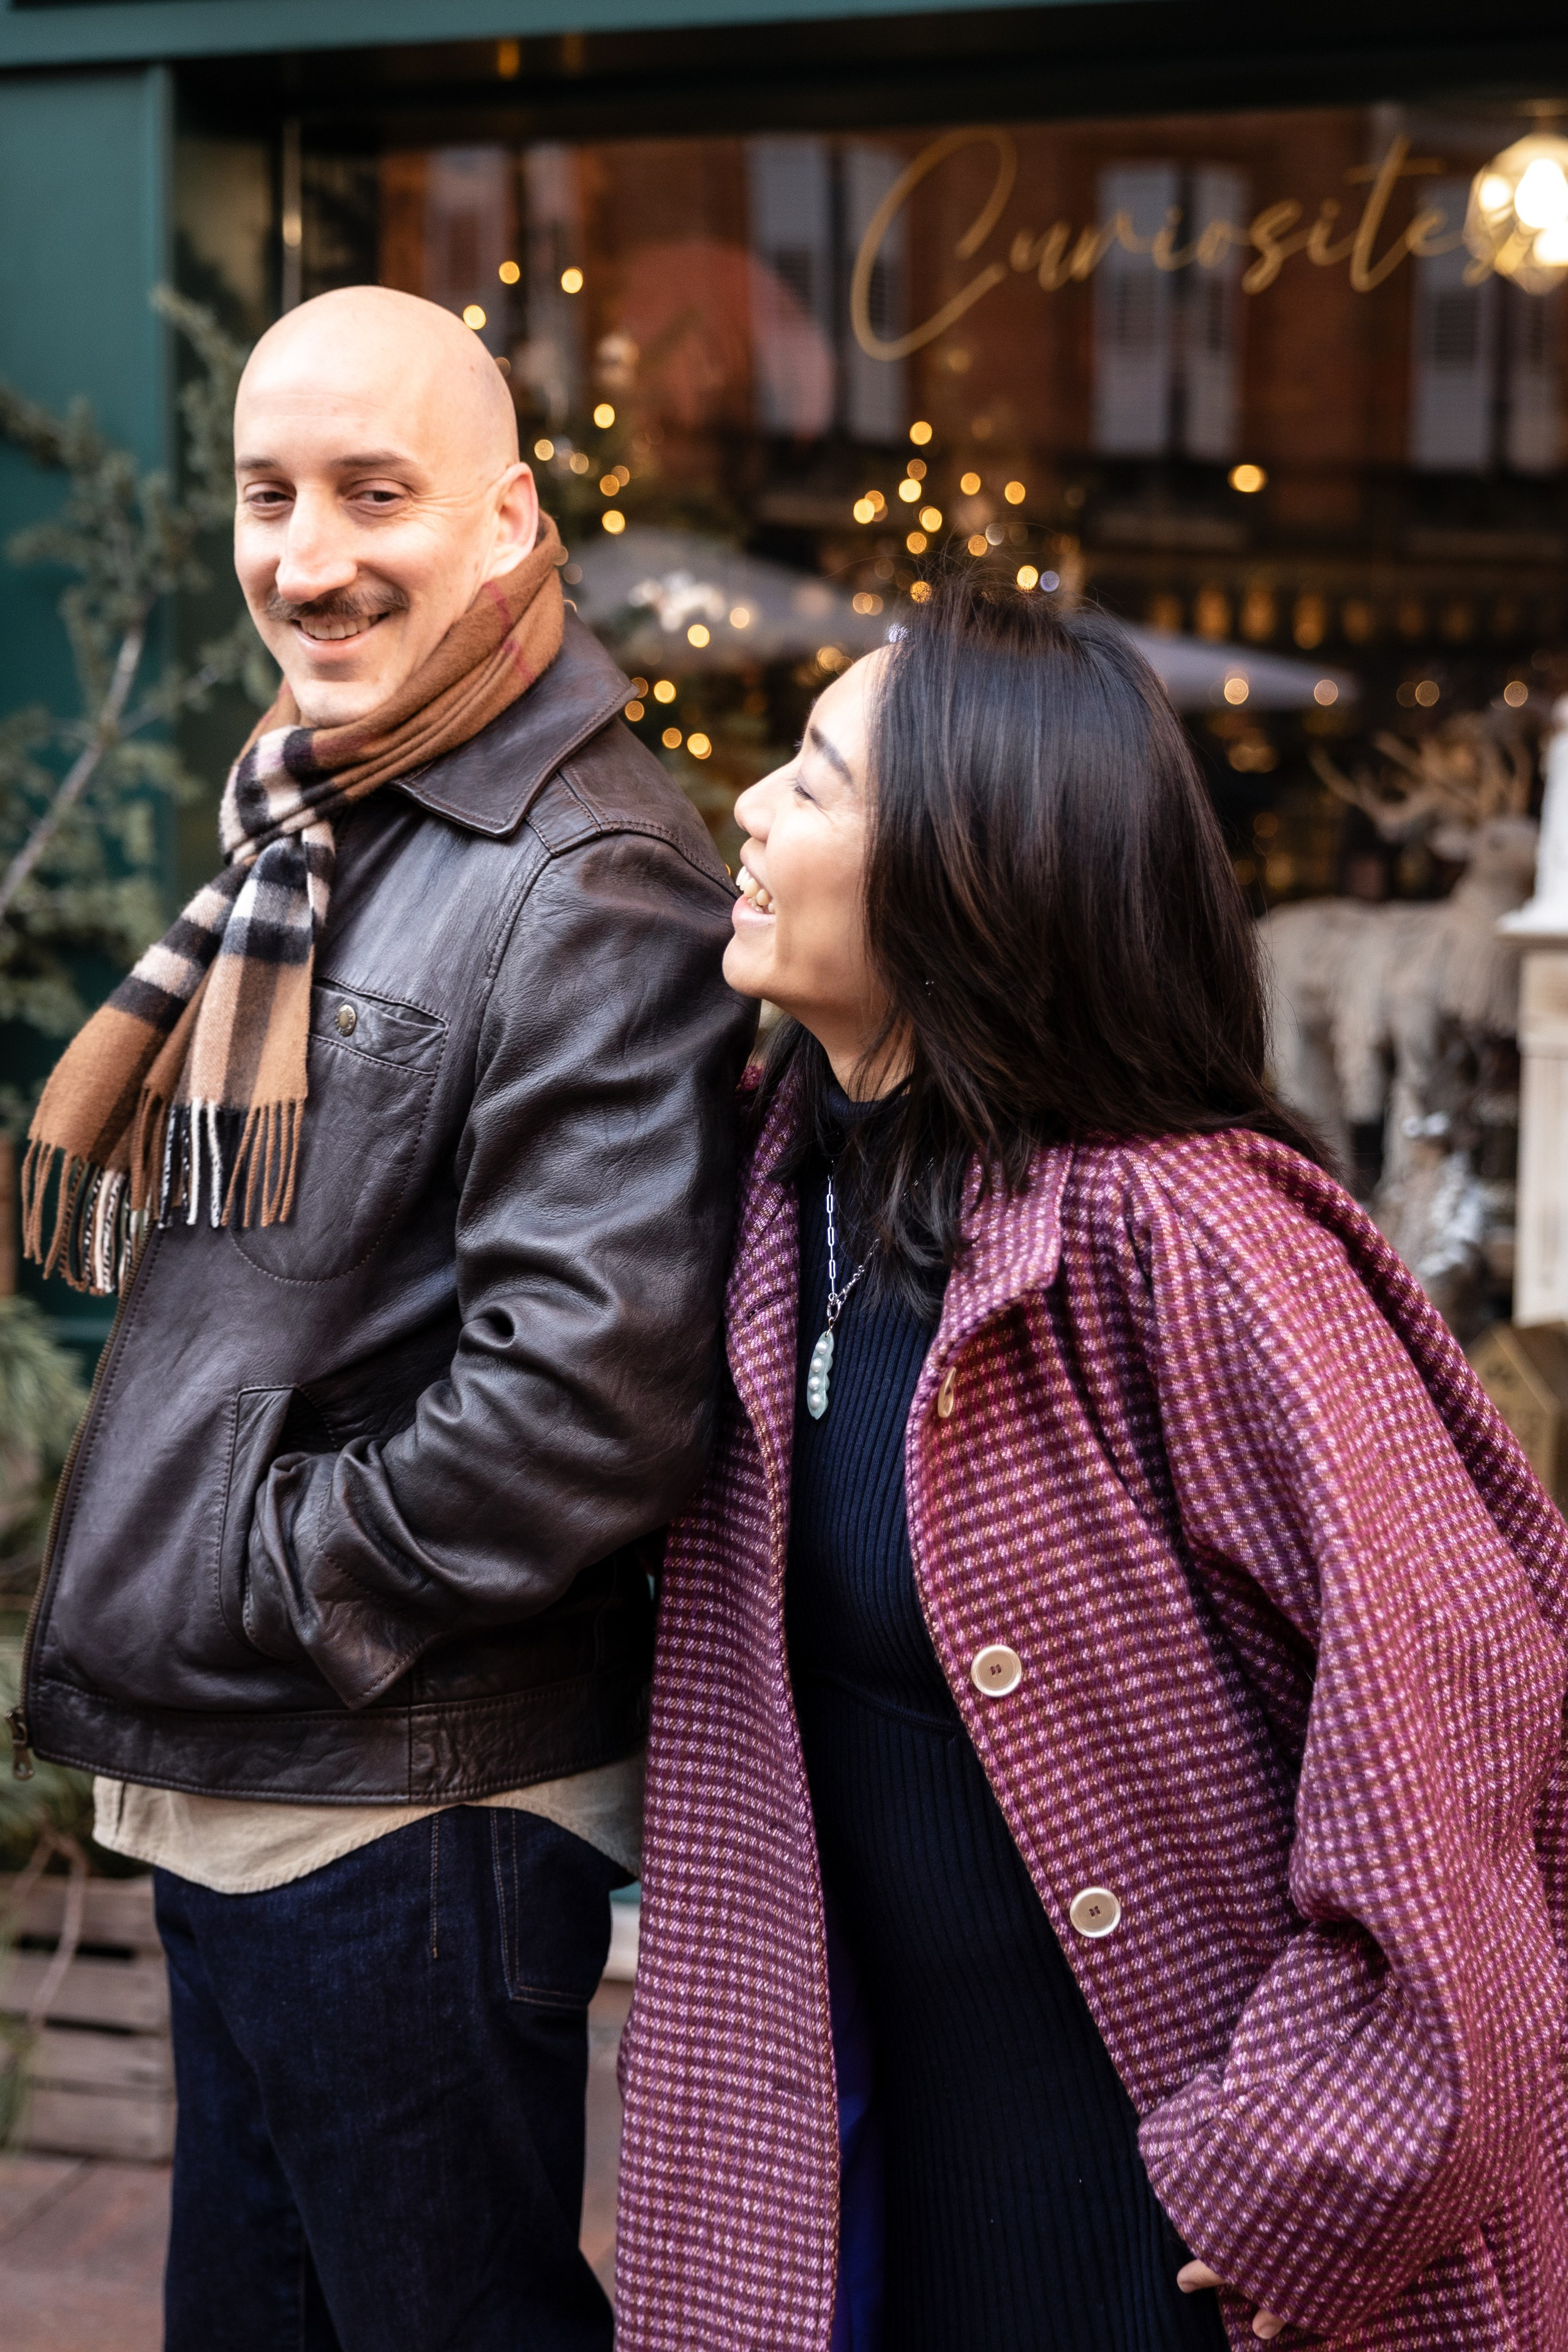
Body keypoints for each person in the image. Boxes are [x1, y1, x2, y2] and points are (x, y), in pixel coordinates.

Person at [614, 575, 1568, 2351]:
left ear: (972, 870)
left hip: (1160, 2219)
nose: (747, 802)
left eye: (817, 781)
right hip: (880, 2176)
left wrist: (1308, 2163)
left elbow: (1458, 1719)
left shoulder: (1187, 1242)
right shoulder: (782, 1188)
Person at [12, 285, 753, 2351]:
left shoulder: (586, 870)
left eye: (375, 491)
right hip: (262, 1787)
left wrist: (269, 1574)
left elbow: (594, 1400)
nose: (307, 555)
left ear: (512, 519)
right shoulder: (325, 807)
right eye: (268, 494)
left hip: (400, 1804)